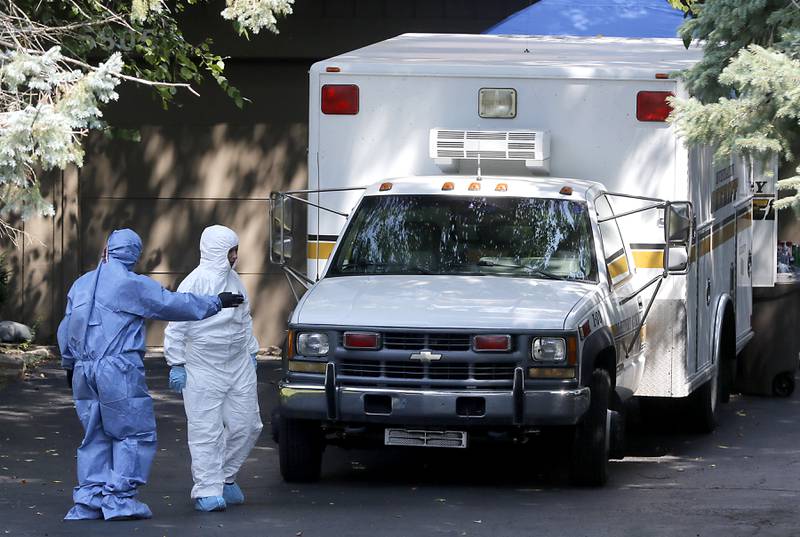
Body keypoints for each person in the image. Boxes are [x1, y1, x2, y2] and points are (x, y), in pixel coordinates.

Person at [58, 229, 245, 521]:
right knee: (132, 432)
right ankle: (119, 501)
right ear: (133, 254)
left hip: (84, 369)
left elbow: (66, 327)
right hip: (116, 369)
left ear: (107, 249)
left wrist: (69, 363)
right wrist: (216, 302)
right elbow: (171, 304)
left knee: (94, 434)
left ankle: (89, 500)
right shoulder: (130, 284)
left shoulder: (80, 284)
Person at [164, 225, 263, 512]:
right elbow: (177, 326)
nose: (235, 257)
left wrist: (251, 352)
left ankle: (225, 477)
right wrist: (177, 363)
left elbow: (245, 320)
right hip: (201, 366)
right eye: (231, 251)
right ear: (217, 251)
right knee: (206, 430)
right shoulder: (193, 283)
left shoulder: (235, 281)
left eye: (236, 251)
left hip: (237, 363)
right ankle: (207, 490)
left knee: (248, 425)